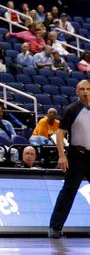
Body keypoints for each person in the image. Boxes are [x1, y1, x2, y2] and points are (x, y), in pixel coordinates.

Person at [49, 80, 90, 238]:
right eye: (82, 89)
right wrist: (61, 155)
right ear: (76, 92)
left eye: (88, 89)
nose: (85, 92)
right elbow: (60, 134)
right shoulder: (71, 110)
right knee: (68, 192)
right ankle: (55, 228)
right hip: (77, 156)